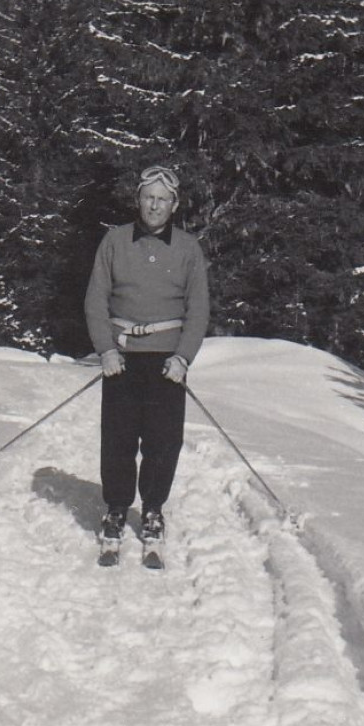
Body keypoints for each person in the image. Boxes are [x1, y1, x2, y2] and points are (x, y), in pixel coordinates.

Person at [84, 165, 210, 555]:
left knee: (163, 441)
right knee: (118, 439)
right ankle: (117, 508)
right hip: (121, 357)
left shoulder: (188, 248)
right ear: (138, 199)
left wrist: (183, 358)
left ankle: (153, 509)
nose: (154, 205)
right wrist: (105, 349)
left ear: (174, 205)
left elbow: (199, 309)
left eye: (162, 199)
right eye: (148, 197)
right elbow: (95, 299)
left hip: (166, 362)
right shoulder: (115, 241)